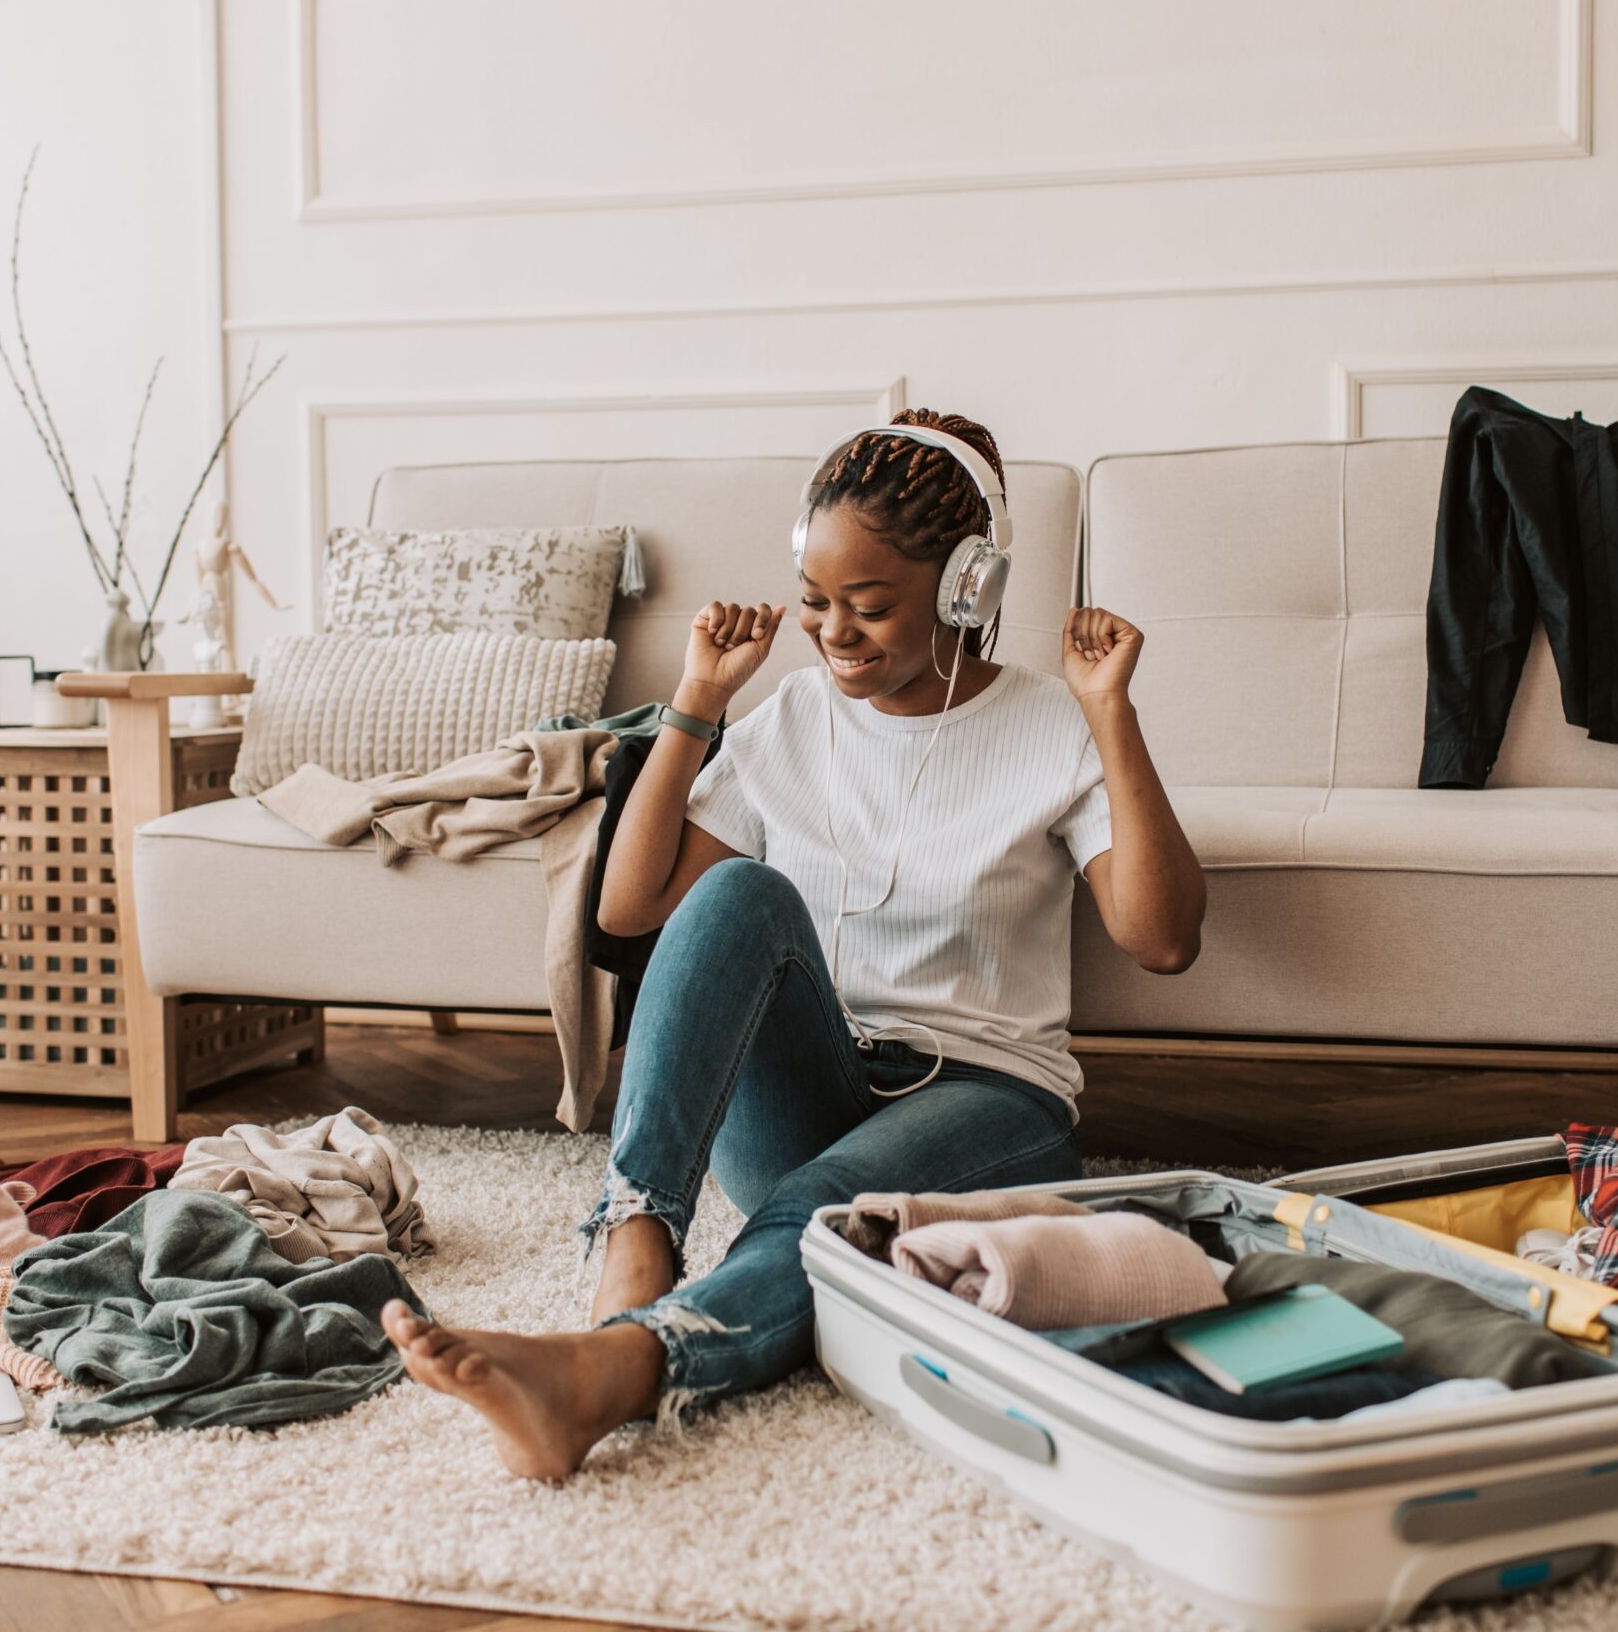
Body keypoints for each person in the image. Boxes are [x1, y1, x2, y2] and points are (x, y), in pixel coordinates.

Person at [382, 409, 1206, 1479]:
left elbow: (1161, 938)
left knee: (818, 1216)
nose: (833, 633)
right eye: (815, 603)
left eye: (869, 608)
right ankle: (635, 1237)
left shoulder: (1054, 724)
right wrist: (697, 702)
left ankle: (612, 1373)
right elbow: (632, 912)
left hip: (989, 1107)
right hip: (811, 1090)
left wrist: (1112, 717)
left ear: (970, 590)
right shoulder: (791, 719)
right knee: (738, 893)